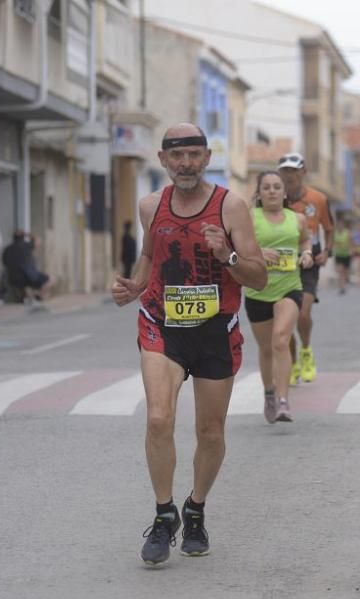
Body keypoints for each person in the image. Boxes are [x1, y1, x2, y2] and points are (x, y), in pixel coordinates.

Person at [111, 123, 266, 566]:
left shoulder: (230, 207)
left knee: (210, 432)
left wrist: (227, 257)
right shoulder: (150, 206)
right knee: (159, 418)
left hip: (216, 330)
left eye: (194, 155)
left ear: (206, 157)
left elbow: (258, 275)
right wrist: (133, 287)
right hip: (161, 325)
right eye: (177, 156)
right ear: (162, 160)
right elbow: (149, 256)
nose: (185, 164)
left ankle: (195, 509)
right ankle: (164, 516)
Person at [245, 171, 313, 423]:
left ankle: (284, 401)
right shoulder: (250, 218)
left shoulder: (298, 219)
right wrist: (258, 252)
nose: (272, 191)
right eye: (266, 187)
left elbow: (306, 242)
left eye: (277, 187)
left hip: (289, 287)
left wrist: (306, 255)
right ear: (259, 193)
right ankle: (269, 393)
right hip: (258, 290)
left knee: (281, 340)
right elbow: (237, 247)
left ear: (285, 192)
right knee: (265, 349)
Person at [277, 152, 333, 385]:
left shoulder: (317, 199)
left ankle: (306, 351)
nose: (289, 175)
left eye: (293, 170)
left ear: (303, 172)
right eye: (285, 171)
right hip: (282, 262)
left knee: (303, 313)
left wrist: (327, 251)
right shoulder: (272, 198)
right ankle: (291, 361)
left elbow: (329, 229)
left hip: (309, 259)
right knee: (286, 319)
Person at [2, 230, 52, 303]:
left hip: (13, 278)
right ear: (23, 237)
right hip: (28, 276)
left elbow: (5, 262)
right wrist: (29, 234)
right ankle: (38, 295)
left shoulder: (7, 249)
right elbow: (38, 241)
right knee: (50, 279)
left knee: (21, 283)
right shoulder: (26, 245)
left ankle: (25, 297)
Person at [332, 218, 351, 294]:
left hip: (346, 254)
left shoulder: (347, 233)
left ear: (343, 225)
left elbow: (350, 242)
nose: (340, 226)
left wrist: (351, 249)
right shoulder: (335, 233)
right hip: (338, 254)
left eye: (341, 225)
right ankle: (341, 287)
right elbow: (333, 243)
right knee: (340, 271)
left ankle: (344, 284)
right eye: (339, 225)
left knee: (345, 272)